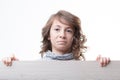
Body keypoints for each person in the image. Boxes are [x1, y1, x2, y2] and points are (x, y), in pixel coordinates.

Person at [2, 10, 110, 67]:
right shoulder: (34, 67)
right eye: (57, 29)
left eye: (68, 31)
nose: (62, 35)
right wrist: (13, 67)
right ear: (48, 35)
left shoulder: (84, 68)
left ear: (74, 37)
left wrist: (102, 68)